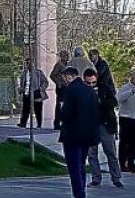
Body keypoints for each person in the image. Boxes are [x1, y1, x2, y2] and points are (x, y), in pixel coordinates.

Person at [58, 65, 99, 198]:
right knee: (81, 165)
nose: (65, 81)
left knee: (74, 167)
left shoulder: (70, 91)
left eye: (65, 78)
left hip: (72, 135)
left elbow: (66, 114)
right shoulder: (90, 91)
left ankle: (79, 194)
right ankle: (82, 192)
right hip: (87, 135)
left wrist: (60, 111)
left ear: (69, 76)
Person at [84, 69, 123, 188]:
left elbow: (114, 102)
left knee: (110, 152)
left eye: (93, 82)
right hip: (90, 125)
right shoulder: (83, 91)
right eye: (88, 83)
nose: (91, 85)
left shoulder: (104, 88)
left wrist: (101, 100)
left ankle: (116, 178)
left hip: (105, 124)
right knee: (92, 154)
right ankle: (96, 178)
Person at [115, 71, 135, 173]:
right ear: (132, 79)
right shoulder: (125, 88)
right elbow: (118, 99)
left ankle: (131, 164)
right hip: (126, 118)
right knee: (124, 142)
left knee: (134, 143)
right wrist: (131, 92)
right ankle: (122, 164)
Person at [17, 56, 49, 128]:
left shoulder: (38, 72)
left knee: (38, 109)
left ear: (33, 63)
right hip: (26, 92)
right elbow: (22, 82)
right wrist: (21, 89)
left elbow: (45, 81)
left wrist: (41, 89)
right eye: (27, 63)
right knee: (25, 108)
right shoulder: (25, 73)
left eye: (30, 62)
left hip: (36, 92)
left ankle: (39, 124)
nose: (28, 64)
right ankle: (23, 123)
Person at [51, 50, 71, 130]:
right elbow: (52, 75)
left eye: (67, 55)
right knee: (60, 105)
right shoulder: (59, 65)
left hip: (68, 87)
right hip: (61, 88)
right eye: (65, 55)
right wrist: (58, 83)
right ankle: (57, 123)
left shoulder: (68, 65)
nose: (66, 57)